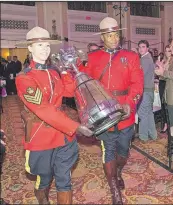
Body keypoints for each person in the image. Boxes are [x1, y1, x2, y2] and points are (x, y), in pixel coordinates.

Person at [15, 26, 94, 204]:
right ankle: (43, 200)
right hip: (41, 135)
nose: (45, 49)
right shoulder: (24, 78)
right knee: (44, 177)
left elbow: (68, 92)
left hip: (63, 136)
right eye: (40, 45)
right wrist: (75, 127)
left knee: (64, 178)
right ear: (29, 48)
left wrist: (66, 71)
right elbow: (43, 109)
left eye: (47, 45)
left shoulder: (53, 71)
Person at [79, 17, 143, 204]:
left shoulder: (131, 56)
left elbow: (137, 84)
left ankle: (118, 170)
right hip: (103, 113)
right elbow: (84, 87)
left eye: (116, 34)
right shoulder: (92, 58)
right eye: (109, 35)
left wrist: (130, 104)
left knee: (123, 151)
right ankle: (114, 188)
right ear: (102, 36)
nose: (114, 38)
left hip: (124, 111)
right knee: (108, 150)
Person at [137, 40, 157, 141]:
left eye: (143, 47)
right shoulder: (148, 58)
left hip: (145, 90)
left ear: (147, 48)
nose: (141, 49)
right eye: (139, 47)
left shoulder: (144, 59)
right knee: (149, 113)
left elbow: (140, 76)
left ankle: (143, 136)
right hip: (149, 90)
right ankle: (153, 134)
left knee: (143, 113)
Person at [156, 45, 173, 133]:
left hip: (168, 83)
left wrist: (162, 67)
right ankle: (165, 124)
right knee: (163, 105)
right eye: (166, 51)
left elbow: (166, 72)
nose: (167, 53)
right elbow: (158, 73)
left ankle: (169, 124)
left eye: (169, 51)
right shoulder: (163, 60)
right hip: (162, 83)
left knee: (168, 104)